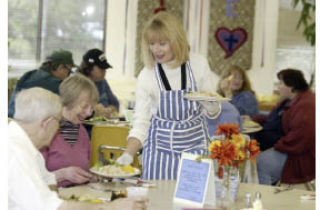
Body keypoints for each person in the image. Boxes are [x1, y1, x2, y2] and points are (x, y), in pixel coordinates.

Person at [116, 12, 221, 180]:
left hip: (195, 150)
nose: (156, 49)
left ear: (176, 41)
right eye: (152, 43)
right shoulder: (147, 75)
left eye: (162, 43)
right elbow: (141, 122)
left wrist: (212, 106)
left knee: (191, 205)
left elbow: (213, 113)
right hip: (159, 152)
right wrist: (128, 154)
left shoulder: (198, 64)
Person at [9, 87, 147, 210]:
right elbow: (51, 207)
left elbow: (48, 181)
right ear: (47, 123)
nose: (58, 128)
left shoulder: (24, 145)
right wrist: (112, 207)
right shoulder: (15, 153)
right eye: (58, 122)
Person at [256, 69, 315, 185]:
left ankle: (263, 198)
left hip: (300, 157)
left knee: (259, 162)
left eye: (281, 83)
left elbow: (299, 137)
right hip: (292, 148)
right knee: (253, 153)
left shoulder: (305, 105)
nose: (278, 87)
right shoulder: (292, 100)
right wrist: (253, 119)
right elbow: (272, 119)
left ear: (291, 85)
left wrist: (276, 146)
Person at [40, 74, 98, 187]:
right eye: (85, 107)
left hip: (78, 196)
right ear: (69, 101)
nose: (89, 113)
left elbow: (85, 170)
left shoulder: (82, 132)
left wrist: (92, 177)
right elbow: (32, 179)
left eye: (91, 108)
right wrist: (63, 174)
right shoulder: (45, 131)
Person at [8, 49, 75, 118]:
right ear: (61, 67)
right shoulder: (54, 83)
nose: (68, 76)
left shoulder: (30, 74)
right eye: (69, 72)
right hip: (26, 123)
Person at [78, 48, 119, 118]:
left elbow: (116, 104)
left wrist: (108, 109)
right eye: (101, 68)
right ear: (89, 67)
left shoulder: (103, 82)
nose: (104, 71)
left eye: (105, 69)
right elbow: (72, 108)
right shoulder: (77, 82)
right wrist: (93, 108)